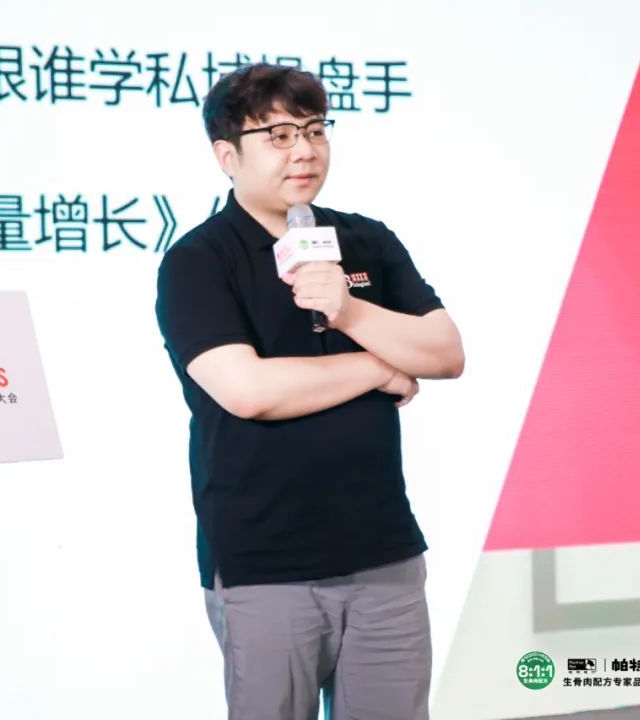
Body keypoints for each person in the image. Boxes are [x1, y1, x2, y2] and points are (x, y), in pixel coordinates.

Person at [154, 63, 464, 720]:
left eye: (315, 130)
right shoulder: (199, 260)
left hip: (385, 552)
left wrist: (350, 312)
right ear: (227, 156)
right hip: (266, 561)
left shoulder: (366, 240)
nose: (304, 150)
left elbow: (444, 352)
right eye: (278, 135)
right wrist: (379, 368)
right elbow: (248, 390)